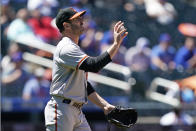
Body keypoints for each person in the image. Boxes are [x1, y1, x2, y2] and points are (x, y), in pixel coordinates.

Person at [44, 7, 128, 131]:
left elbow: (84, 85)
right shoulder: (66, 47)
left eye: (81, 18)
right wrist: (115, 45)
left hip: (76, 111)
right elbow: (94, 65)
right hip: (62, 109)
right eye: (77, 19)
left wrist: (105, 106)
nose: (81, 21)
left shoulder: (74, 48)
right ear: (66, 26)